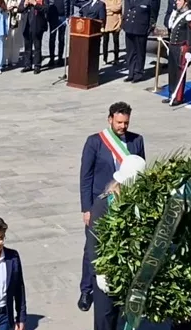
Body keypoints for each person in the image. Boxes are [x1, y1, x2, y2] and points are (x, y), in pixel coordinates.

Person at [78, 102, 145, 312]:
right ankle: (87, 289)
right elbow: (86, 177)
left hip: (126, 203)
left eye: (126, 123)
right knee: (92, 247)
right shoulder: (95, 142)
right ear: (110, 120)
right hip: (101, 203)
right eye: (119, 122)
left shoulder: (136, 141)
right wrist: (86, 208)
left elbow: (141, 173)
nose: (122, 126)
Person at [87, 156, 148, 330]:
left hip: (130, 267)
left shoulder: (142, 204)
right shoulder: (104, 204)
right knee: (105, 314)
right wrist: (99, 271)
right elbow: (93, 241)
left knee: (126, 312)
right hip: (107, 267)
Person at [163, 0, 191, 105]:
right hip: (173, 46)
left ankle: (178, 97)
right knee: (172, 72)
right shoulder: (177, 14)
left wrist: (189, 50)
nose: (177, 2)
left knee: (179, 73)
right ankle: (171, 94)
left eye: (179, 0)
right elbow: (171, 28)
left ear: (185, 2)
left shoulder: (190, 16)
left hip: (182, 48)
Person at [123, 0, 156, 82]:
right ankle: (131, 72)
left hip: (141, 28)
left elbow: (153, 15)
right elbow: (126, 10)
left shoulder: (149, 1)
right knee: (130, 52)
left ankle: (138, 73)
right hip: (129, 27)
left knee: (140, 52)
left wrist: (150, 27)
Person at [19, 0, 47, 73]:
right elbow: (20, 9)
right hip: (27, 25)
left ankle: (37, 66)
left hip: (37, 25)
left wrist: (35, 4)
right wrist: (25, 5)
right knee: (27, 47)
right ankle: (28, 65)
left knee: (37, 47)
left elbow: (45, 9)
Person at [4, 0, 24, 67]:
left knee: (16, 39)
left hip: (17, 17)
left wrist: (17, 6)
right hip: (8, 17)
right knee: (7, 40)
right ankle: (7, 58)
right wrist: (7, 8)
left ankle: (14, 59)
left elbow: (23, 6)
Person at [103, 0, 122, 64]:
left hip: (116, 22)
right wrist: (112, 10)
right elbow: (102, 8)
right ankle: (105, 59)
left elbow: (118, 7)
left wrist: (109, 9)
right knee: (105, 41)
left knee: (116, 41)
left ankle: (116, 58)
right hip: (106, 23)